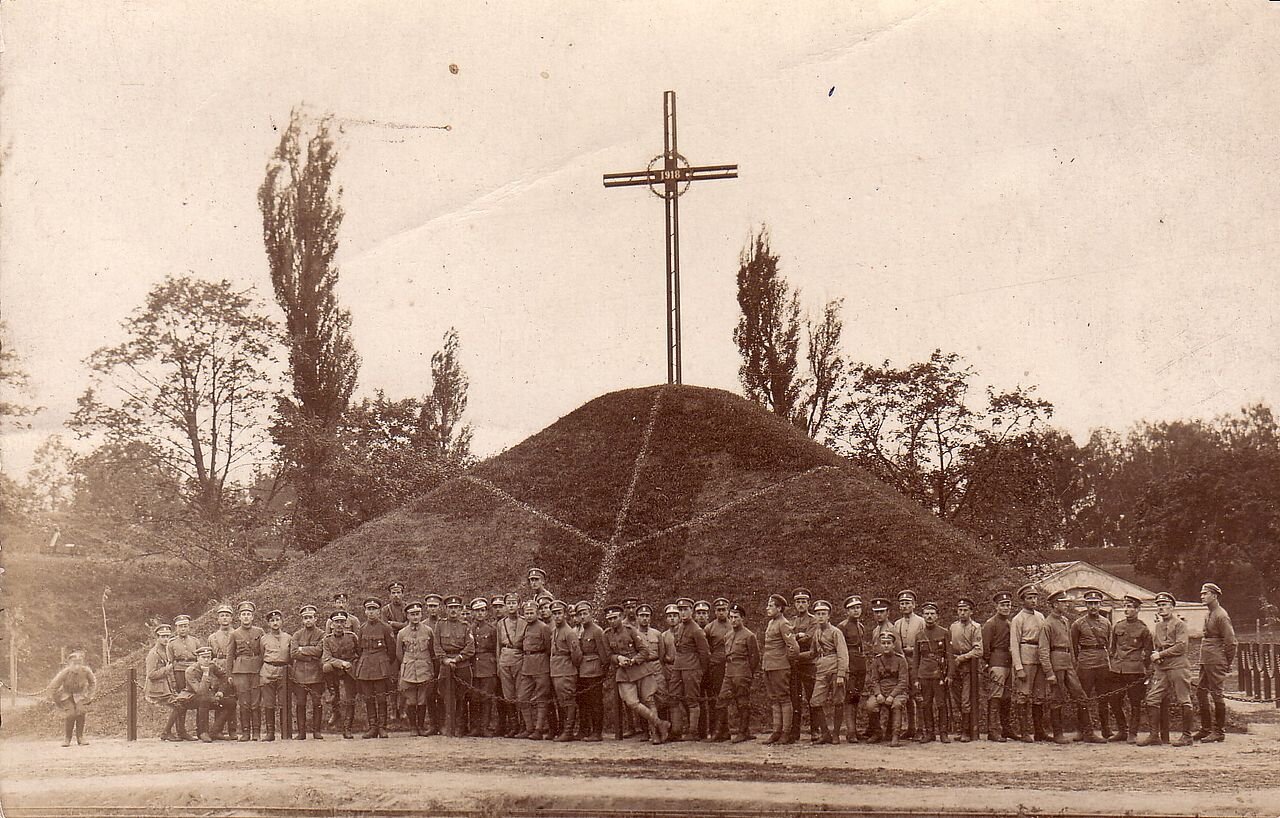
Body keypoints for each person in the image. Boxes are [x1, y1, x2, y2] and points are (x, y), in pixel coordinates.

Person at [604, 604, 670, 744]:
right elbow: (608, 655)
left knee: (649, 700)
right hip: (623, 673)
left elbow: (644, 651)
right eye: (609, 619)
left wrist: (634, 660)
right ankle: (660, 723)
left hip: (641, 669)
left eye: (615, 618)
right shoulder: (607, 634)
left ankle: (655, 734)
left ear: (621, 617)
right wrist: (618, 659)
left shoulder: (631, 630)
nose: (612, 621)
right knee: (632, 702)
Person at [1137, 592, 1194, 747]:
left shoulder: (1179, 624)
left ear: (1172, 607)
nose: (1161, 608)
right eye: (1159, 605)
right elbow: (1157, 646)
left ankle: (1187, 736)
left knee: (1184, 699)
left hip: (1178, 665)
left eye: (1164, 605)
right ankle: (1154, 735)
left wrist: (1160, 654)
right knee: (1152, 698)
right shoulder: (1158, 626)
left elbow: (1181, 646)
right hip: (1162, 668)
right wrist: (1157, 657)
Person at [1040, 591, 1095, 744]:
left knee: (1080, 695)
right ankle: (1058, 734)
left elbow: (1070, 644)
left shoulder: (1065, 620)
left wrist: (1072, 662)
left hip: (1068, 663)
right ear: (1055, 604)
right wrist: (1049, 672)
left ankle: (1088, 732)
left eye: (1066, 602)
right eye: (1062, 602)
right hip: (1055, 662)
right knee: (1056, 698)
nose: (1065, 604)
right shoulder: (1047, 623)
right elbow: (1043, 649)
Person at [1107, 595, 1152, 743]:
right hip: (1117, 669)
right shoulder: (1117, 626)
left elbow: (1148, 652)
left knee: (1135, 702)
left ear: (1138, 609)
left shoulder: (1143, 629)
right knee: (1114, 700)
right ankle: (1122, 730)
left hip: (1135, 670)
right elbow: (1112, 649)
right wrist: (1113, 663)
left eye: (1130, 607)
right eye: (1125, 606)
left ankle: (1133, 732)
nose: (1127, 609)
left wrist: (1146, 672)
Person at [1195, 582, 1236, 742]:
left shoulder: (1221, 615)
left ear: (1214, 595)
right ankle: (1205, 729)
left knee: (1217, 694)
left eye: (1205, 594)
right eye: (1201, 594)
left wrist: (1226, 662)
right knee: (1200, 692)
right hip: (1206, 659)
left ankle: (1219, 731)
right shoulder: (1209, 613)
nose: (1202, 597)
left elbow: (1231, 642)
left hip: (1217, 660)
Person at [1070, 589, 1112, 742]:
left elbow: (1110, 644)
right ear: (1085, 605)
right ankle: (1083, 731)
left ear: (1100, 604)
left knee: (1103, 697)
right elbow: (1073, 647)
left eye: (1096, 603)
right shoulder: (1078, 624)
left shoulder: (1106, 623)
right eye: (1090, 604)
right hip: (1085, 664)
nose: (1093, 606)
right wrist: (1076, 665)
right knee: (1083, 697)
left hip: (1102, 663)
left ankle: (1106, 729)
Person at [1009, 583, 1049, 742]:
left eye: (1035, 597)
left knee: (1039, 696)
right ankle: (1025, 731)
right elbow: (1014, 644)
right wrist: (1018, 667)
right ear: (1023, 600)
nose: (1033, 601)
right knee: (1023, 696)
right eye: (1029, 598)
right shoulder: (1018, 619)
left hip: (1039, 659)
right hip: (1025, 660)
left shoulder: (1040, 616)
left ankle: (1039, 731)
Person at [807, 600, 849, 744]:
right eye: (818, 614)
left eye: (823, 614)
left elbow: (843, 654)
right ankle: (825, 733)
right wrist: (795, 655)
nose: (820, 617)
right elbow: (813, 652)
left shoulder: (836, 632)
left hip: (835, 669)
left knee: (838, 701)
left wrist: (841, 675)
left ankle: (836, 734)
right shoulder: (817, 632)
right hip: (821, 669)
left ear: (829, 616)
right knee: (815, 701)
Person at [355, 597, 398, 738]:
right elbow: (359, 650)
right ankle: (372, 727)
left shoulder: (386, 628)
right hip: (365, 667)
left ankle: (382, 727)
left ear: (379, 611)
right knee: (368, 698)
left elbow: (392, 651)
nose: (371, 612)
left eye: (374, 609)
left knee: (381, 698)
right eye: (368, 609)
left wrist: (383, 663)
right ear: (365, 611)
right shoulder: (362, 628)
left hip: (381, 668)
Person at [434, 596, 476, 737]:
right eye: (450, 608)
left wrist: (458, 659)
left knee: (461, 695)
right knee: (445, 694)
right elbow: (437, 645)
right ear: (446, 609)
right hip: (445, 664)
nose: (453, 610)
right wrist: (445, 659)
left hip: (462, 663)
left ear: (460, 609)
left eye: (456, 608)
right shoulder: (440, 625)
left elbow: (470, 647)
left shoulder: (465, 626)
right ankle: (447, 725)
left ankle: (460, 726)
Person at [761, 593, 799, 744]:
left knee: (783, 699)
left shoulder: (783, 623)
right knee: (774, 699)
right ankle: (776, 731)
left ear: (779, 608)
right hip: (769, 666)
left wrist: (786, 661)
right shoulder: (772, 623)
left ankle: (785, 732)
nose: (768, 608)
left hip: (780, 667)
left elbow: (794, 647)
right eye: (768, 605)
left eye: (771, 606)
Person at [670, 596, 711, 741]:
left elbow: (705, 653)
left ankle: (693, 732)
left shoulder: (697, 630)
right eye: (680, 610)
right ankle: (676, 731)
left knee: (692, 700)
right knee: (674, 697)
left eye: (685, 610)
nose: (682, 613)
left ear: (691, 611)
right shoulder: (680, 627)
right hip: (678, 667)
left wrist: (700, 671)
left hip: (692, 668)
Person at [718, 603, 760, 743]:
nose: (733, 620)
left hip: (742, 671)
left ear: (742, 618)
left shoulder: (749, 636)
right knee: (722, 700)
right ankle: (723, 732)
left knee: (742, 702)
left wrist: (748, 673)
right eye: (731, 617)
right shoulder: (728, 635)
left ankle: (743, 732)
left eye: (736, 617)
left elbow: (755, 657)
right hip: (729, 671)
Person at [396, 601, 438, 737]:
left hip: (424, 669)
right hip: (408, 670)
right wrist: (406, 664)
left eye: (417, 614)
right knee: (411, 699)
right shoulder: (402, 633)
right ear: (407, 616)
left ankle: (420, 726)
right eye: (412, 614)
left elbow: (433, 651)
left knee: (422, 699)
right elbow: (399, 653)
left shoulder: (428, 631)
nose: (415, 617)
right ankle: (413, 727)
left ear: (421, 615)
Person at [913, 602, 952, 743]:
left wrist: (949, 675)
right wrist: (916, 678)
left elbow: (949, 656)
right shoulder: (919, 635)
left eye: (932, 614)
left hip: (939, 674)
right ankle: (929, 733)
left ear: (937, 616)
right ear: (923, 616)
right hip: (924, 674)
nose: (929, 616)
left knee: (941, 704)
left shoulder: (944, 632)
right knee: (926, 704)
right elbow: (916, 658)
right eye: (926, 614)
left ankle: (943, 733)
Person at [226, 602, 265, 741]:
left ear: (253, 616)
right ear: (239, 617)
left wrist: (263, 669)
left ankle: (256, 732)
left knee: (255, 701)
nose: (246, 617)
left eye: (248, 614)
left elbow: (263, 651)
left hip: (256, 669)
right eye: (243, 614)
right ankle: (245, 732)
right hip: (240, 670)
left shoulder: (259, 632)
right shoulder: (234, 633)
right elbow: (230, 655)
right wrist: (229, 674)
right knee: (244, 702)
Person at [145, 623, 191, 741]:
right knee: (178, 706)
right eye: (162, 636)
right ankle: (166, 732)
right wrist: (166, 670)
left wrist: (173, 682)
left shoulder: (165, 651)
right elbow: (151, 675)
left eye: (167, 636)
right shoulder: (153, 654)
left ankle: (176, 732)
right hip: (156, 689)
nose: (165, 639)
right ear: (157, 637)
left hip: (165, 688)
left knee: (180, 704)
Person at [981, 591, 1017, 742]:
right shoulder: (990, 624)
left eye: (1008, 604)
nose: (1005, 607)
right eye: (1002, 605)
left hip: (1009, 662)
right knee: (995, 696)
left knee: (1006, 697)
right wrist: (991, 662)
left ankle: (1006, 729)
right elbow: (985, 648)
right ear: (996, 606)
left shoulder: (1010, 623)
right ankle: (993, 730)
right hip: (997, 662)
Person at [517, 599, 554, 739]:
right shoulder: (525, 627)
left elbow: (549, 648)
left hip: (541, 665)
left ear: (537, 613)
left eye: (531, 612)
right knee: (522, 697)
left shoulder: (543, 627)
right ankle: (529, 727)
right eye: (526, 613)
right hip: (527, 665)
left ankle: (539, 729)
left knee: (542, 698)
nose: (529, 615)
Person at [865, 632, 909, 747]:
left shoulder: (901, 660)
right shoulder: (877, 660)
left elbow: (903, 681)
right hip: (881, 691)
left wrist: (892, 695)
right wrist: (878, 694)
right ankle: (877, 732)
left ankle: (895, 735)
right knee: (870, 705)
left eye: (888, 643)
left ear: (893, 645)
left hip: (897, 692)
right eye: (883, 643)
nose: (886, 645)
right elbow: (874, 680)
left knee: (897, 705)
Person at [290, 604, 327, 740]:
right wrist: (311, 653)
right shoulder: (297, 634)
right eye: (305, 618)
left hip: (316, 674)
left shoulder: (322, 634)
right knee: (300, 703)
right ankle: (301, 732)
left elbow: (320, 651)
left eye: (310, 617)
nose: (308, 620)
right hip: (299, 675)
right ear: (302, 620)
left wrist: (302, 649)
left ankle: (317, 731)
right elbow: (293, 653)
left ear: (315, 619)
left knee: (317, 702)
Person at [321, 611, 360, 738]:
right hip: (335, 671)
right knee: (326, 667)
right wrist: (341, 663)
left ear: (346, 623)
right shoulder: (327, 640)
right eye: (336, 622)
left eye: (342, 622)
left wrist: (353, 665)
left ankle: (347, 727)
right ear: (331, 625)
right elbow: (326, 658)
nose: (339, 625)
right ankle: (333, 693)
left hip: (350, 671)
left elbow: (359, 653)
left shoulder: (352, 636)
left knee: (350, 699)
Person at [892, 589, 925, 739]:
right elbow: (896, 644)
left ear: (914, 605)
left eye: (907, 603)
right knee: (908, 696)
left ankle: (921, 729)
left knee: (918, 695)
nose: (904, 606)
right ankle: (911, 727)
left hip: (918, 663)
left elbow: (925, 642)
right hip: (903, 663)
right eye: (902, 603)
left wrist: (913, 650)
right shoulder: (897, 623)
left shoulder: (921, 621)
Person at [948, 598, 983, 742]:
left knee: (966, 699)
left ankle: (966, 730)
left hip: (969, 666)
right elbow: (949, 646)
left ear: (971, 612)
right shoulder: (953, 627)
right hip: (954, 666)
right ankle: (959, 728)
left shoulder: (975, 627)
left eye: (965, 610)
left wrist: (962, 658)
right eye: (960, 610)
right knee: (955, 698)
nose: (962, 613)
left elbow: (979, 650)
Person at [47, 648, 97, 747]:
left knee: (81, 712)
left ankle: (80, 737)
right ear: (70, 664)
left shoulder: (86, 671)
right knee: (70, 714)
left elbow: (93, 683)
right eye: (74, 663)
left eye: (79, 663)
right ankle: (67, 738)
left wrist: (89, 696)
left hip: (80, 695)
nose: (77, 666)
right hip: (67, 696)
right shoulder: (65, 672)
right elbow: (54, 685)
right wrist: (54, 699)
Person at [575, 600, 610, 742]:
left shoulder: (597, 631)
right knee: (583, 702)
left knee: (595, 702)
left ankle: (597, 732)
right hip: (581, 670)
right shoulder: (580, 631)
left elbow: (604, 655)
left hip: (594, 671)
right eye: (580, 614)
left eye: (585, 613)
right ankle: (584, 730)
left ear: (591, 614)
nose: (583, 617)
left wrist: (603, 672)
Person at [549, 599, 583, 741]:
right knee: (561, 701)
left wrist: (570, 667)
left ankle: (568, 732)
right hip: (556, 670)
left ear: (565, 615)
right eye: (554, 614)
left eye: (559, 613)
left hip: (566, 670)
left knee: (568, 701)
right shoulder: (555, 630)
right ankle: (564, 730)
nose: (557, 616)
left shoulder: (569, 633)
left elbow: (576, 654)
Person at [836, 594, 868, 744]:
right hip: (849, 665)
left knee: (856, 697)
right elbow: (840, 649)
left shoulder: (860, 626)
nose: (856, 611)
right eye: (852, 609)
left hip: (860, 665)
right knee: (849, 698)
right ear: (847, 611)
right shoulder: (842, 627)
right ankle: (851, 732)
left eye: (858, 608)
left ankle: (854, 731)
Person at [206, 604, 240, 740]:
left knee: (232, 698)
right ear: (218, 619)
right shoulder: (213, 637)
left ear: (232, 618)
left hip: (233, 667)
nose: (224, 618)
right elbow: (210, 656)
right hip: (218, 669)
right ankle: (218, 730)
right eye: (222, 615)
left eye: (227, 615)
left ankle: (232, 730)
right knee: (218, 699)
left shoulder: (237, 633)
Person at [166, 614, 202, 742]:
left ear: (189, 627)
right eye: (180, 626)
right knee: (181, 702)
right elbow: (170, 664)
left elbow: (200, 660)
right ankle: (181, 731)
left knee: (198, 699)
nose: (183, 629)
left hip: (193, 673)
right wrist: (173, 681)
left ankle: (201, 730)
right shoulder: (171, 644)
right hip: (179, 672)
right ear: (176, 628)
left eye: (185, 626)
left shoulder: (195, 641)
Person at [788, 587, 817, 742]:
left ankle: (815, 730)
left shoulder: (813, 620)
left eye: (803, 602)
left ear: (808, 604)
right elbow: (786, 637)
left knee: (812, 697)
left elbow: (809, 638)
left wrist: (795, 637)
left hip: (809, 663)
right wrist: (797, 636)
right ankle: (795, 731)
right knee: (795, 698)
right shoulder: (791, 620)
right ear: (794, 604)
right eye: (798, 601)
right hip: (794, 664)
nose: (800, 604)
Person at [258, 609, 292, 741]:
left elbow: (291, 656)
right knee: (269, 703)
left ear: (282, 621)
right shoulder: (264, 639)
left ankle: (286, 732)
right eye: (272, 621)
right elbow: (262, 655)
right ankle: (270, 733)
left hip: (283, 671)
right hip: (268, 671)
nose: (275, 623)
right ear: (268, 623)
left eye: (277, 620)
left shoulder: (288, 638)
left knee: (284, 702)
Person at [702, 598, 733, 741]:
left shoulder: (733, 625)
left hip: (731, 664)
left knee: (727, 697)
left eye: (724, 610)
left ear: (728, 610)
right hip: (715, 666)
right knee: (715, 698)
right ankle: (716, 729)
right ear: (715, 612)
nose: (721, 612)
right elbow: (705, 648)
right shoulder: (709, 628)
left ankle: (726, 729)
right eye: (719, 610)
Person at [496, 591, 526, 738]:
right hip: (505, 658)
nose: (511, 606)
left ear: (519, 605)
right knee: (508, 695)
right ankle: (513, 725)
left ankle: (524, 726)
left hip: (519, 658)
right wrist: (498, 664)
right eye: (509, 603)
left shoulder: (525, 622)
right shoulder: (501, 623)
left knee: (521, 693)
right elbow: (498, 646)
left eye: (514, 603)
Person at [184, 645, 228, 742]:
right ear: (198, 658)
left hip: (207, 696)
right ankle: (203, 732)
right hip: (191, 697)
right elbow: (200, 692)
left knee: (230, 703)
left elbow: (224, 676)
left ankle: (215, 731)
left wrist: (220, 691)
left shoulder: (212, 665)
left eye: (208, 657)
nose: (206, 660)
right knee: (204, 700)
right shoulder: (191, 670)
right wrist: (205, 674)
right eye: (203, 657)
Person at [470, 597, 500, 737]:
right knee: (474, 698)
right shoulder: (469, 629)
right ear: (473, 613)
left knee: (486, 698)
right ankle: (475, 727)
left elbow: (496, 649)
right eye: (477, 611)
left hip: (488, 666)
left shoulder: (492, 629)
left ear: (486, 612)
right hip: (474, 667)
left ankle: (485, 727)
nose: (480, 614)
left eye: (482, 610)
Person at [383, 582, 409, 726]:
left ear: (402, 593)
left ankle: (403, 708)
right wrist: (400, 625)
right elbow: (385, 626)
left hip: (407, 647)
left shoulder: (407, 608)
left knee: (405, 678)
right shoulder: (386, 609)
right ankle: (393, 709)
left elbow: (409, 624)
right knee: (392, 679)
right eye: (393, 592)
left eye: (399, 592)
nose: (396, 595)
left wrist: (395, 624)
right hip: (391, 647)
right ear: (390, 594)